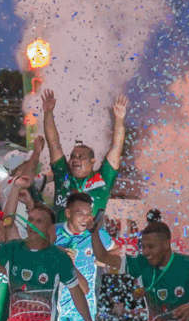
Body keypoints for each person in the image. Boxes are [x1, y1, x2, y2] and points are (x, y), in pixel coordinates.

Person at [54, 192, 118, 321]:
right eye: (79, 213)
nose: (85, 218)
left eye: (88, 214)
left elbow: (116, 252)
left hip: (84, 304)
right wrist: (56, 253)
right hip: (54, 303)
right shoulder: (54, 233)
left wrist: (105, 260)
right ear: (68, 213)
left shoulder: (97, 235)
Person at [42, 89, 128, 222]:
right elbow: (54, 144)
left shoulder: (103, 178)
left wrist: (119, 119)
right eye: (73, 156)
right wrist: (48, 113)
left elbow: (116, 147)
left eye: (81, 157)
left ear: (93, 161)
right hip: (60, 235)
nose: (75, 159)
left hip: (91, 236)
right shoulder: (62, 174)